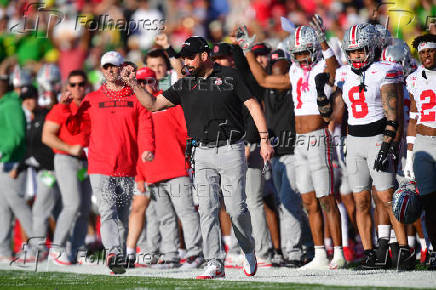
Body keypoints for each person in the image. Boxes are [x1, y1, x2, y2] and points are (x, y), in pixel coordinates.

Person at [126, 36, 274, 279]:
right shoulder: (186, 83)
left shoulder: (230, 76)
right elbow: (152, 104)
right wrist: (134, 84)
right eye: (183, 57)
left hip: (230, 148)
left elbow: (253, 105)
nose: (186, 61)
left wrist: (265, 139)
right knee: (207, 209)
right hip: (201, 153)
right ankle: (214, 261)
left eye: (190, 56)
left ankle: (248, 249)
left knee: (236, 209)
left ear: (204, 56)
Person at [237, 16, 345, 270]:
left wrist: (324, 41)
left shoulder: (321, 68)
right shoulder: (294, 70)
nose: (300, 57)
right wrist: (247, 51)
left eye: (304, 52)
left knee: (326, 198)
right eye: (296, 53)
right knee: (308, 200)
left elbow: (334, 68)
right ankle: (319, 254)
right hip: (300, 144)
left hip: (318, 138)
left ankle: (338, 252)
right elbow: (263, 80)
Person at [317, 23, 414, 270]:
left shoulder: (385, 70)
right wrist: (321, 93)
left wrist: (386, 145)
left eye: (360, 51)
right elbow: (331, 115)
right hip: (354, 140)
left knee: (387, 197)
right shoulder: (343, 74)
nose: (355, 56)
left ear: (371, 49)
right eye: (351, 52)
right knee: (361, 200)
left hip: (376, 138)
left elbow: (393, 115)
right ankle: (370, 252)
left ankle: (404, 249)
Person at [58, 51, 155, 274]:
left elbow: (146, 124)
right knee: (108, 211)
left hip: (127, 164)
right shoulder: (92, 99)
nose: (111, 70)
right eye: (106, 67)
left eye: (115, 66)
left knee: (122, 215)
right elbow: (75, 128)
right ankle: (112, 251)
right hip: (100, 165)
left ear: (122, 69)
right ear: (102, 70)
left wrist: (148, 148)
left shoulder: (134, 97)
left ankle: (117, 256)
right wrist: (67, 108)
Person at [125, 67, 203, 269]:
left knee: (186, 213)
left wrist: (188, 161)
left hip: (177, 169)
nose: (145, 86)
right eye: (140, 83)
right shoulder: (136, 110)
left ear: (156, 82)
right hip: (152, 173)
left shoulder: (168, 104)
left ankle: (196, 254)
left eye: (149, 81)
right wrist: (140, 175)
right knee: (165, 218)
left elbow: (188, 133)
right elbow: (137, 147)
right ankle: (170, 256)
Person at [42, 70, 92, 265]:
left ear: (86, 85)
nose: (77, 88)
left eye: (81, 84)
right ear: (67, 87)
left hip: (87, 160)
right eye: (73, 84)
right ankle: (57, 248)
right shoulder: (60, 108)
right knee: (72, 204)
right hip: (65, 159)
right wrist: (69, 148)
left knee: (85, 206)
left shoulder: (91, 105)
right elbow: (47, 136)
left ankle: (78, 248)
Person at [404, 33, 436, 270]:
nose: (427, 55)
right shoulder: (413, 78)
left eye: (431, 50)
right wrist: (410, 151)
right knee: (429, 201)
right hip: (424, 142)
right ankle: (434, 249)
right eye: (423, 52)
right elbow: (413, 118)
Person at [0, 64, 33, 263]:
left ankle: (39, 246)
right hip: (5, 162)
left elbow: (17, 136)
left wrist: (3, 151)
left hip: (12, 163)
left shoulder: (11, 105)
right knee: (3, 209)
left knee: (19, 206)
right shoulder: (5, 104)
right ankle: (4, 251)